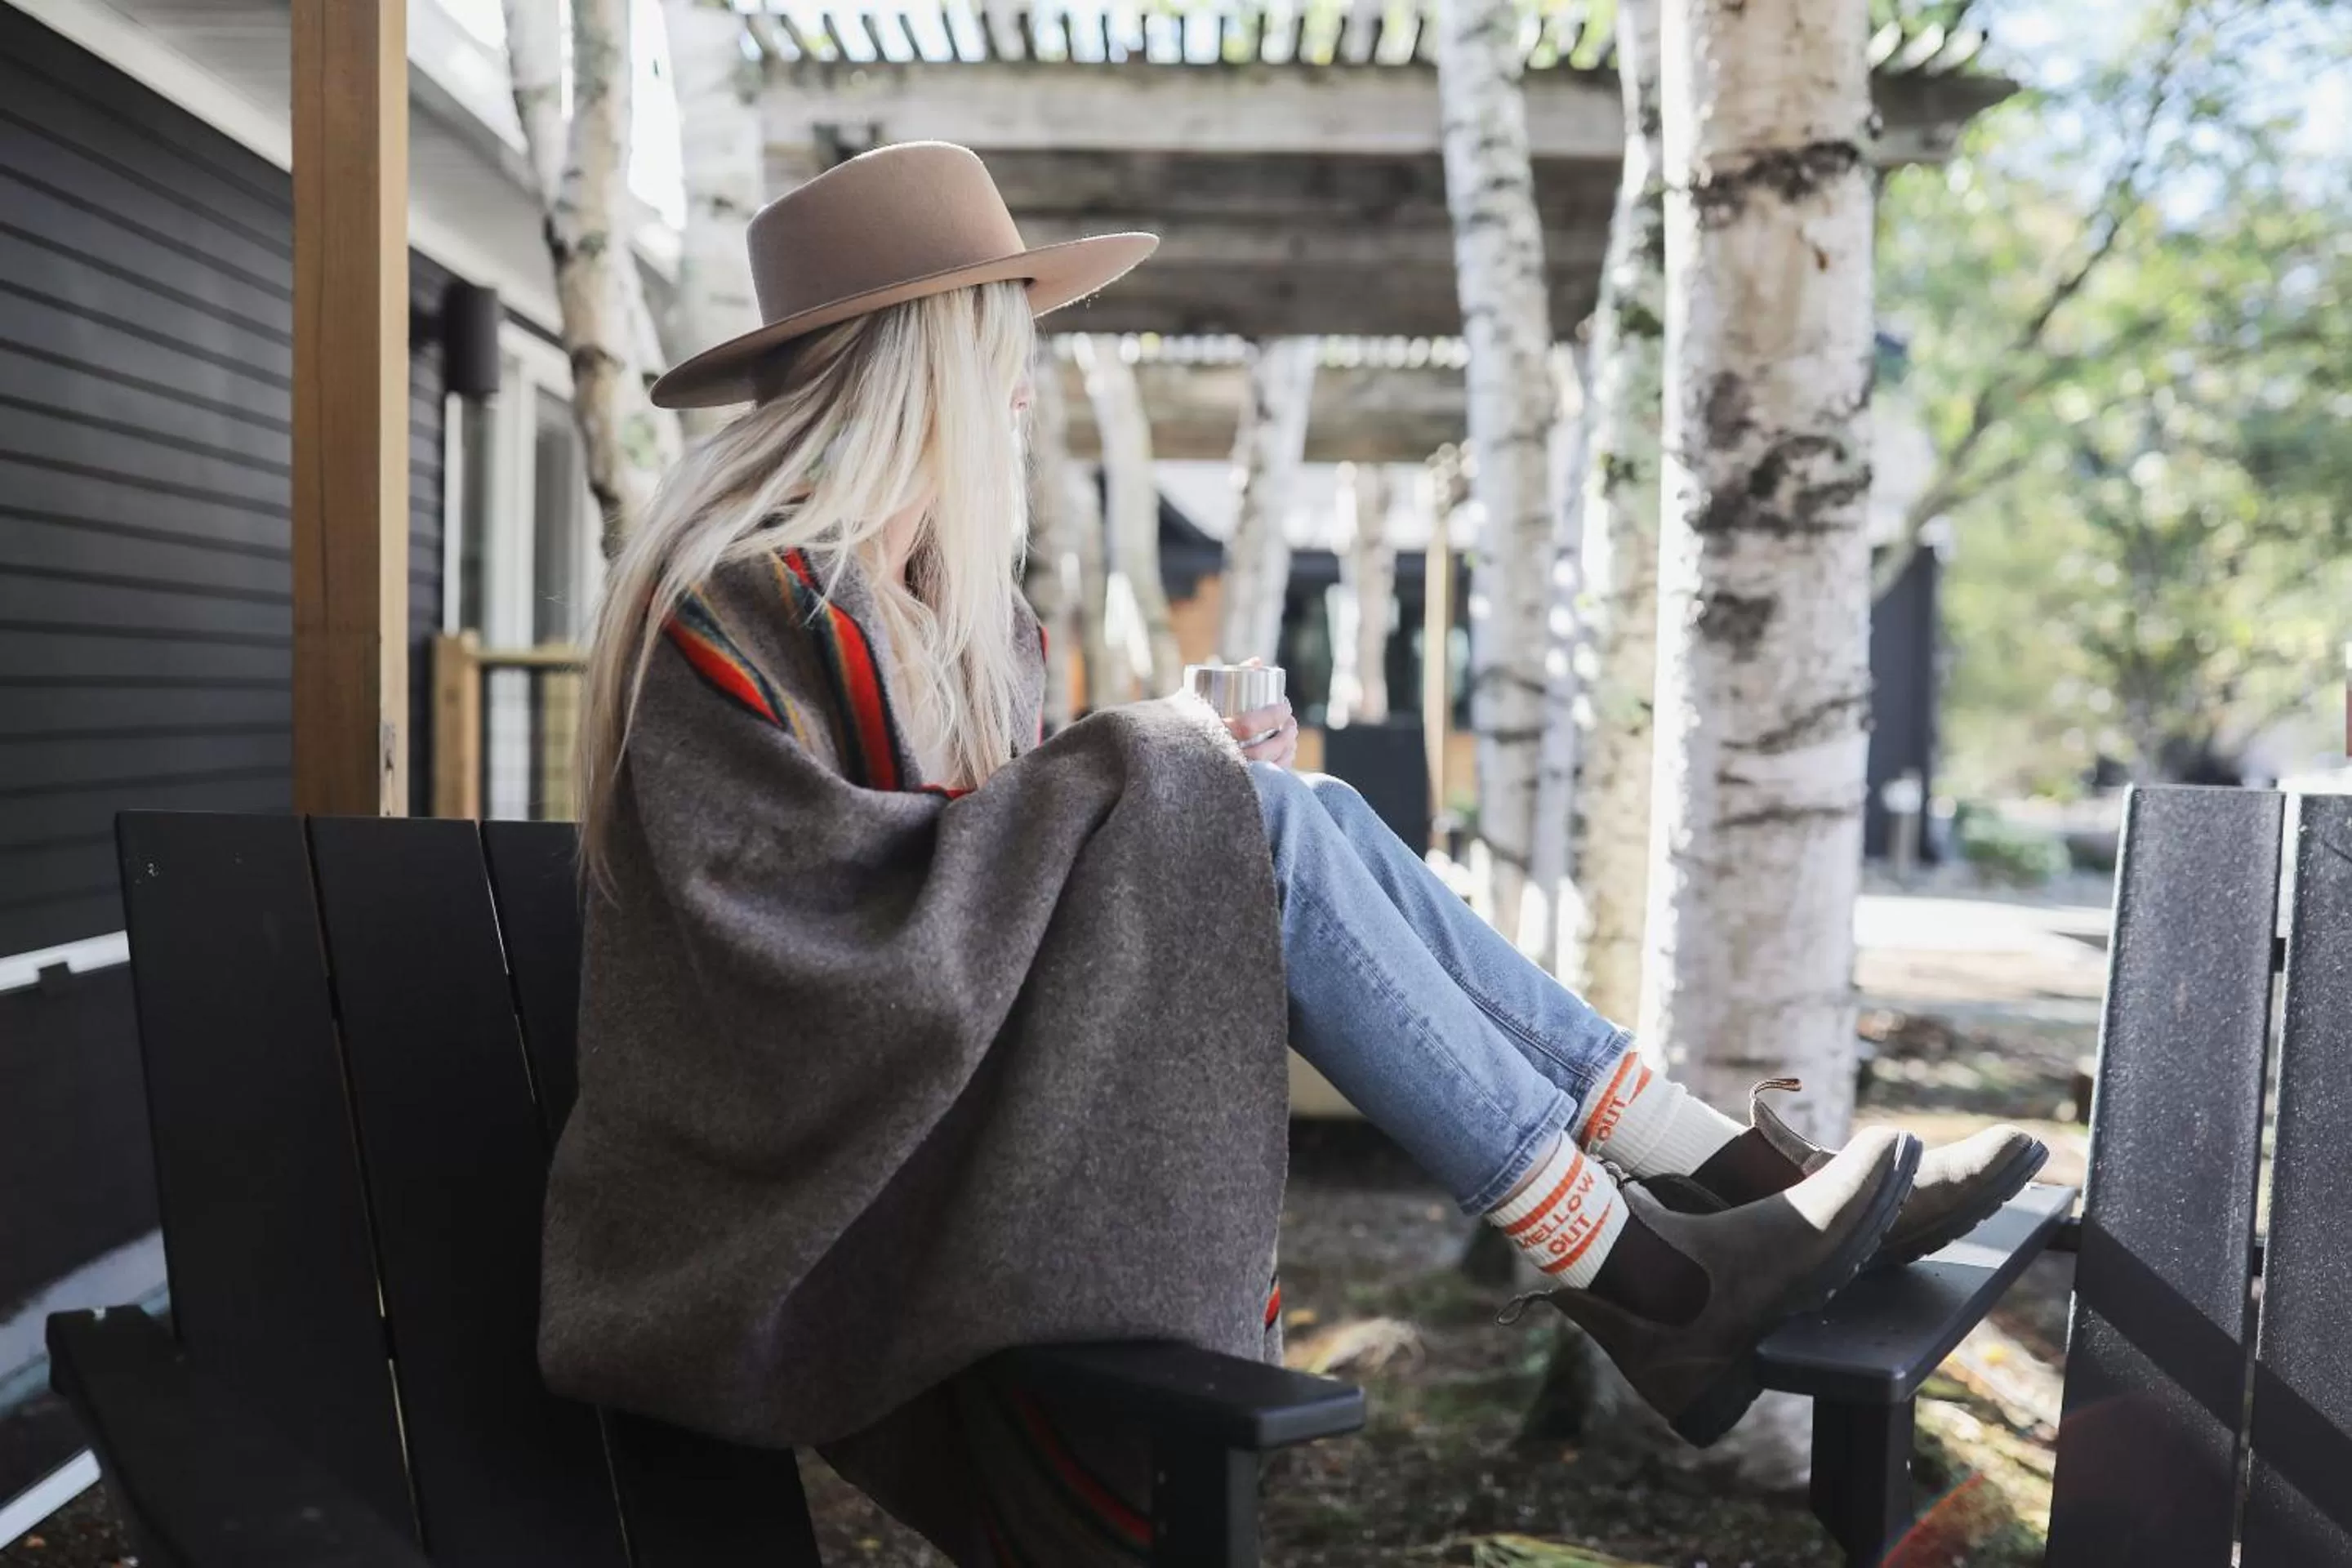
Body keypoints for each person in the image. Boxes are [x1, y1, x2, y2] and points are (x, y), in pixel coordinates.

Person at [537, 141, 2047, 1559]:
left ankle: (1705, 1189)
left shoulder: (942, 609)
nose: (1020, 396)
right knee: (1233, 807)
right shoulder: (734, 605)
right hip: (793, 1174)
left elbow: (982, 869)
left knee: (1284, 813)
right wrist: (1158, 792)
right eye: (1003, 353)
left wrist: (1164, 800)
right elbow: (815, 948)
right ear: (920, 369)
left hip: (937, 1095)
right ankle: (1649, 1272)